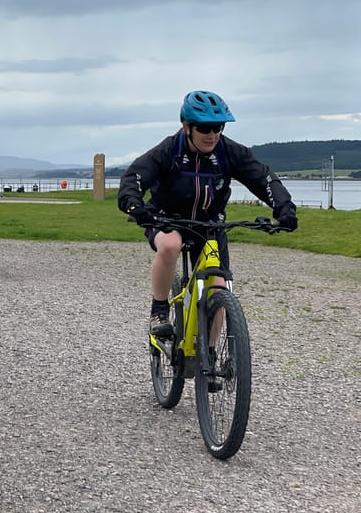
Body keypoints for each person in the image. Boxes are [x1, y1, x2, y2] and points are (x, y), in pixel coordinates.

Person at [117, 90, 298, 334]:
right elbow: (134, 177)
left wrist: (284, 207)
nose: (212, 135)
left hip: (210, 223)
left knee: (218, 289)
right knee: (170, 245)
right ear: (186, 126)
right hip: (167, 218)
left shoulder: (229, 152)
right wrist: (134, 205)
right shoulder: (169, 150)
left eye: (218, 127)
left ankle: (210, 358)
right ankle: (159, 309)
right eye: (204, 128)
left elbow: (263, 178)